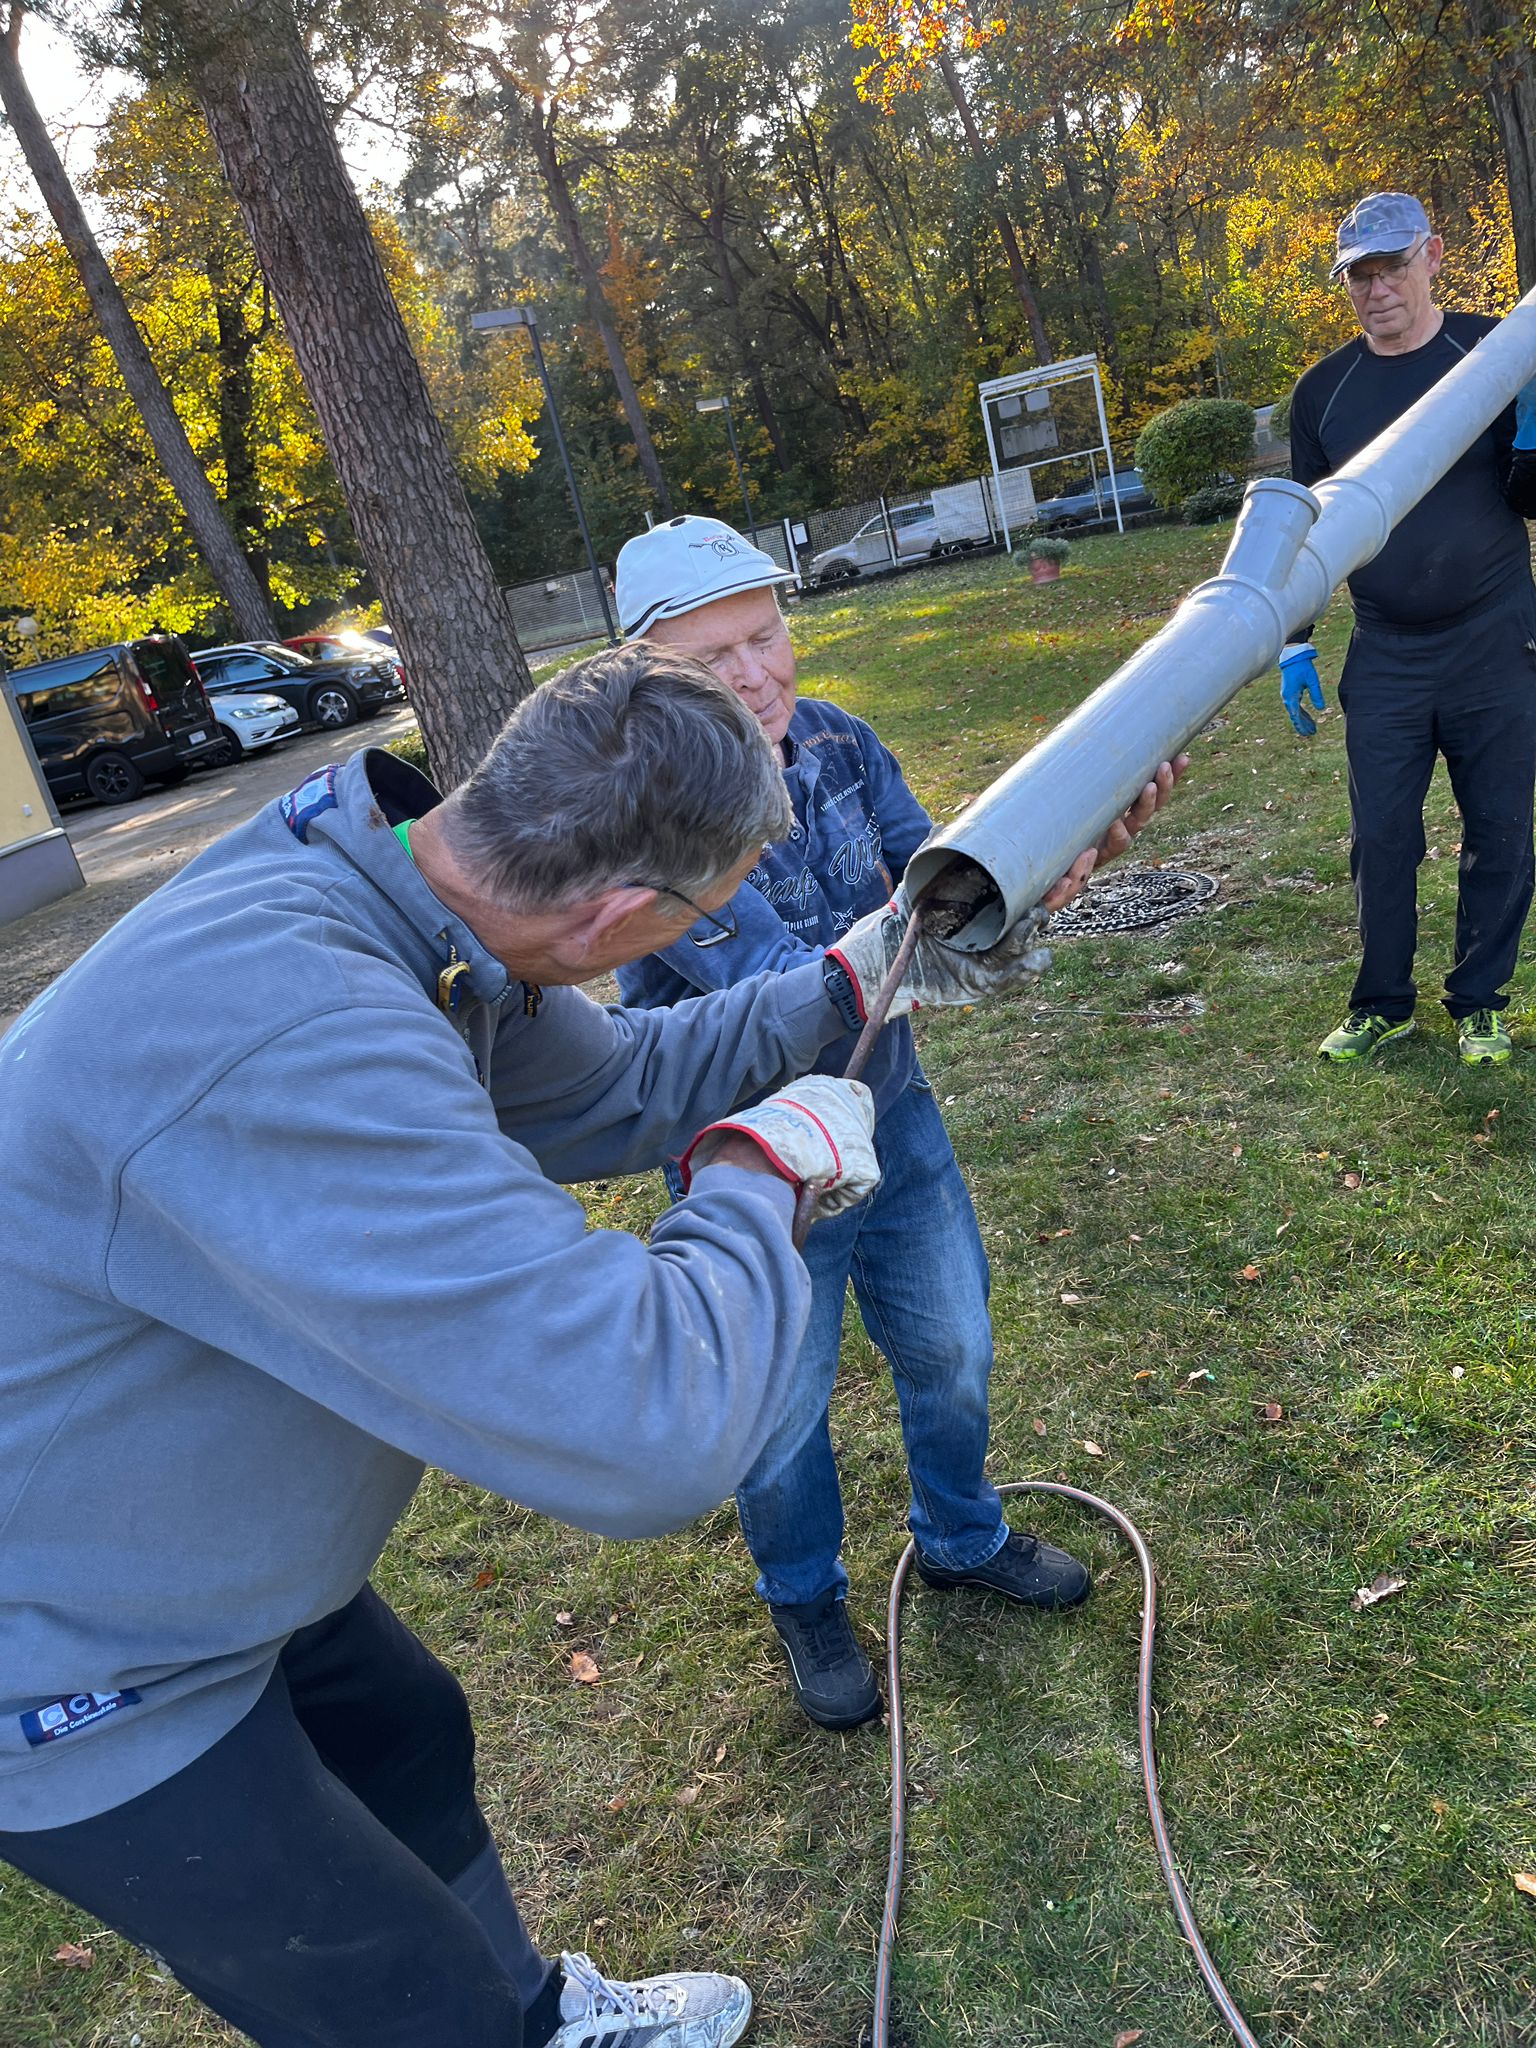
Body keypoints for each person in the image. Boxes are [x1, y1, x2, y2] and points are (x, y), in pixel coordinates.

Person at [0, 644, 1090, 2047]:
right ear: (622, 911)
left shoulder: (413, 895)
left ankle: (537, 2014)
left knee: (407, 1738)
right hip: (69, 1647)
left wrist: (876, 966)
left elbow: (622, 1085)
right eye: (715, 904)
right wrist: (762, 1169)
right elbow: (644, 1425)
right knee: (404, 2001)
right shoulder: (288, 1029)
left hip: (196, 1553)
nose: (727, 915)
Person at [613, 516, 1184, 1731]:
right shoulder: (643, 823)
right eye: (717, 660)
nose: (758, 674)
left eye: (766, 636)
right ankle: (805, 1597)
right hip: (758, 1172)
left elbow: (923, 889)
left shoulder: (838, 740)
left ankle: (961, 1536)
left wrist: (1040, 867)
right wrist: (955, 924)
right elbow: (809, 984)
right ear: (648, 675)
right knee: (779, 1406)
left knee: (952, 1344)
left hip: (898, 1117)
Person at [1281, 191, 1536, 1065]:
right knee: (1383, 834)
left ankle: (1479, 1003)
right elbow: (1304, 531)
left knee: (1499, 825)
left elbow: (1527, 497)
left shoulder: (1494, 352)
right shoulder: (1325, 394)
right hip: (1386, 646)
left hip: (1495, 637)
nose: (1376, 287)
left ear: (1432, 255)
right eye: (1360, 273)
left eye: (1391, 265)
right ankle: (1382, 1000)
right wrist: (1296, 639)